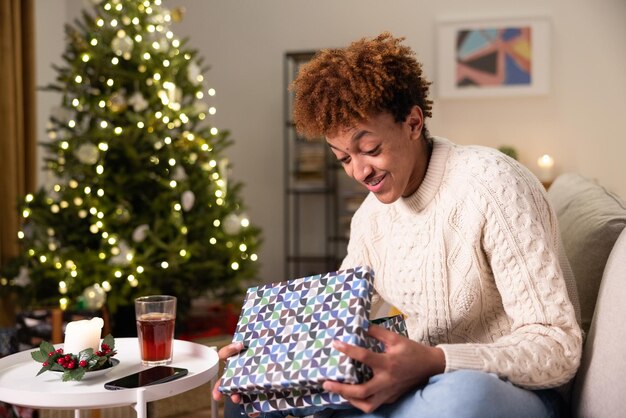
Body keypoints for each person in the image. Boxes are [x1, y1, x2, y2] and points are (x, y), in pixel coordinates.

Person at [212, 32, 582, 418]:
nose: (359, 171)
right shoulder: (370, 219)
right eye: (343, 158)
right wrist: (266, 362)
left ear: (413, 122)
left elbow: (559, 347)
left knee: (462, 399)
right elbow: (335, 326)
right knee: (252, 405)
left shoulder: (492, 184)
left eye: (370, 149)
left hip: (512, 390)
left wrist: (437, 361)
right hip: (419, 382)